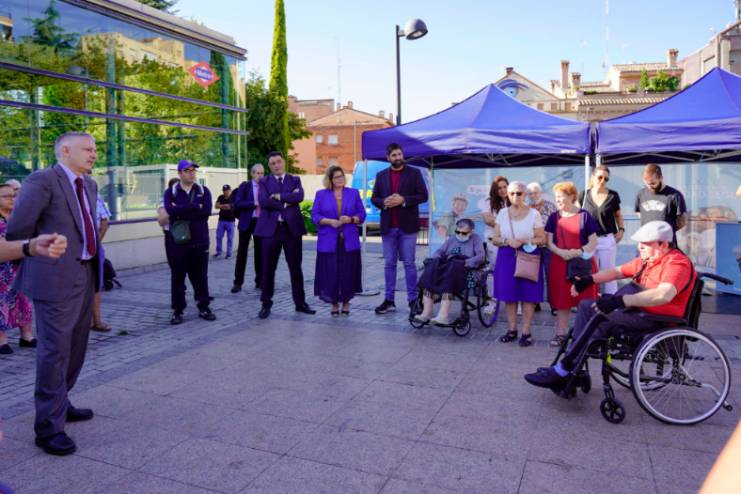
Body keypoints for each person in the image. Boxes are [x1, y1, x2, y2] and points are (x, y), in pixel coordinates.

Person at [6, 131, 101, 456]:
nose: (93, 154)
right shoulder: (43, 180)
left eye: (95, 149)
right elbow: (17, 230)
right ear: (65, 151)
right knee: (54, 351)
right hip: (54, 279)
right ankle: (48, 427)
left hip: (85, 273)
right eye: (87, 149)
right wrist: (37, 256)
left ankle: (61, 401)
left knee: (76, 346)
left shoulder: (89, 184)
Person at [524, 221, 696, 390]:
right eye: (639, 243)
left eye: (645, 243)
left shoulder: (676, 264)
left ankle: (565, 368)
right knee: (586, 306)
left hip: (655, 319)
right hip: (637, 311)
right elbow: (617, 272)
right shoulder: (649, 260)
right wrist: (588, 280)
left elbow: (663, 295)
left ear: (663, 244)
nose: (640, 247)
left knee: (600, 316)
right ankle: (574, 367)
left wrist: (620, 301)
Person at [255, 151, 315, 319]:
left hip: (291, 230)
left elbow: (299, 196)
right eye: (273, 163)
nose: (276, 165)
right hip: (270, 231)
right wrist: (287, 202)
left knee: (295, 268)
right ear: (269, 166)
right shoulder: (264, 181)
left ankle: (300, 303)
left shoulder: (294, 179)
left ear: (283, 162)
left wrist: (278, 196)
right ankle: (265, 304)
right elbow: (264, 201)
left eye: (278, 161)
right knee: (268, 269)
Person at [371, 143, 429, 314]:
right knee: (389, 264)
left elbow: (423, 196)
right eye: (394, 155)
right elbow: (374, 198)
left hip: (408, 227)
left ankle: (412, 301)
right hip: (388, 227)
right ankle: (389, 300)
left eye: (399, 154)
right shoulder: (381, 175)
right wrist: (384, 202)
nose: (398, 157)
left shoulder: (414, 173)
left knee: (409, 264)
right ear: (388, 158)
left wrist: (403, 200)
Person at [488, 181, 545, 346]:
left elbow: (542, 239)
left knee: (528, 295)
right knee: (509, 295)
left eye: (519, 193)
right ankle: (511, 330)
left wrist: (525, 240)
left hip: (528, 256)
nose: (515, 196)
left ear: (525, 195)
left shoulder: (534, 214)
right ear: (507, 195)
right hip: (507, 255)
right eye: (511, 193)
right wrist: (507, 241)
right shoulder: (502, 213)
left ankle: (526, 332)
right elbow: (495, 238)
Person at [545, 181, 599, 347]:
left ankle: (587, 335)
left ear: (572, 196)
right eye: (556, 197)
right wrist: (560, 252)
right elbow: (549, 242)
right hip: (559, 263)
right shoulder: (554, 217)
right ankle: (560, 334)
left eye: (561, 196)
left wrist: (578, 251)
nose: (557, 200)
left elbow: (593, 241)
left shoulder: (585, 216)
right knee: (562, 301)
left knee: (586, 300)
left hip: (583, 264)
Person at [163, 160, 216, 325]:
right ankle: (178, 310)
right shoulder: (171, 192)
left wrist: (180, 209)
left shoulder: (203, 190)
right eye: (187, 170)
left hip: (200, 241)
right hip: (178, 243)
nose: (192, 173)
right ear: (179, 173)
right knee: (178, 277)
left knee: (200, 276)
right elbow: (169, 210)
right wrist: (194, 207)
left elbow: (206, 212)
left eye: (193, 170)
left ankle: (203, 306)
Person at [311, 166, 366, 316]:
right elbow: (315, 215)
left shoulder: (353, 193)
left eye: (342, 176)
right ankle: (334, 304)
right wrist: (329, 221)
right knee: (331, 273)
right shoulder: (321, 194)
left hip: (349, 241)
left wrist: (351, 219)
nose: (340, 179)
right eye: (337, 177)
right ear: (330, 179)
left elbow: (362, 215)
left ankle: (346, 303)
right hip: (328, 241)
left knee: (348, 272)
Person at [414, 218, 485, 325]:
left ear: (471, 232)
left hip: (465, 270)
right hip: (449, 267)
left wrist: (467, 262)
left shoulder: (476, 239)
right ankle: (426, 312)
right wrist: (437, 257)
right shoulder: (452, 239)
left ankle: (443, 316)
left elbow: (481, 256)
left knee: (450, 273)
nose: (460, 234)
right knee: (431, 269)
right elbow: (440, 251)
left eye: (464, 233)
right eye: (458, 232)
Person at [578, 166, 625, 294]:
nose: (602, 180)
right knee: (587, 272)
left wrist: (621, 230)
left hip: (607, 239)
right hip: (588, 240)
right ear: (593, 177)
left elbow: (618, 216)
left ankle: (611, 300)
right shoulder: (583, 195)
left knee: (609, 273)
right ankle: (588, 298)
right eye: (600, 177)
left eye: (606, 178)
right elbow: (576, 215)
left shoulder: (613, 195)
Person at [0, 183, 35, 355]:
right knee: (1, 303)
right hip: (2, 268)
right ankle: (2, 339)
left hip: (21, 266)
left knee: (24, 300)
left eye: (14, 195)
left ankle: (26, 336)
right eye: (6, 196)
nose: (12, 199)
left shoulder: (18, 217)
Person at [231, 164, 265, 293]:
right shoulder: (244, 186)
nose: (260, 176)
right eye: (258, 173)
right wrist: (253, 203)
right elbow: (238, 203)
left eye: (262, 173)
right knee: (242, 253)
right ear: (252, 174)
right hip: (246, 222)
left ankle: (259, 281)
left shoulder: (266, 187)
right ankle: (238, 282)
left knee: (260, 253)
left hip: (260, 222)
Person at [527, 182, 558, 313]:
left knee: (551, 276)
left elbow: (558, 225)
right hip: (532, 247)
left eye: (535, 192)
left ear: (541, 193)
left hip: (548, 247)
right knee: (534, 276)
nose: (533, 195)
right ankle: (535, 302)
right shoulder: (526, 209)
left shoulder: (551, 206)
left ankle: (554, 305)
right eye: (530, 193)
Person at [635, 163, 688, 240]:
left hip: (666, 242)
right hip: (646, 241)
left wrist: (665, 232)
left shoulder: (675, 195)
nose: (649, 187)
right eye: (647, 184)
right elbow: (639, 213)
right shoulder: (641, 194)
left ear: (661, 178)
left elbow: (682, 221)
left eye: (653, 183)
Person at [90, 193, 112, 332]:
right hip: (72, 249)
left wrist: (96, 243)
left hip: (94, 247)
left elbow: (104, 221)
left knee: (95, 284)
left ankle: (96, 321)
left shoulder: (95, 194)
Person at [214, 184, 235, 259]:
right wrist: (224, 206)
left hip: (231, 221)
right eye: (224, 190)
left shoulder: (233, 198)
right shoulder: (220, 197)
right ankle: (219, 252)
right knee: (218, 237)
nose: (225, 192)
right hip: (221, 220)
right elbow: (216, 206)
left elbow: (230, 207)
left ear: (230, 190)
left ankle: (229, 253)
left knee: (230, 238)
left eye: (227, 190)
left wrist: (222, 206)